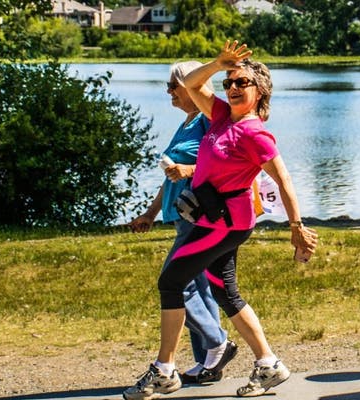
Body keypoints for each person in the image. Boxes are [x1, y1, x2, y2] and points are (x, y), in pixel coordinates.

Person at [123, 40, 318, 400]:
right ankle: (268, 364)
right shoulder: (220, 116)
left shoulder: (255, 133)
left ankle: (164, 371)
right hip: (215, 219)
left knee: (171, 281)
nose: (231, 88)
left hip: (225, 223)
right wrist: (219, 62)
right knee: (225, 293)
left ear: (259, 91)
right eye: (228, 83)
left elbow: (283, 179)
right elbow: (193, 85)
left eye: (240, 82)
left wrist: (296, 227)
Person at [128, 61, 238, 387]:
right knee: (200, 289)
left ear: (190, 87)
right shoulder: (188, 122)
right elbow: (171, 176)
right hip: (180, 216)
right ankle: (208, 363)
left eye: (173, 85)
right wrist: (150, 213)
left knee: (175, 283)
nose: (169, 92)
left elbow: (218, 163)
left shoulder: (208, 119)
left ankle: (217, 343)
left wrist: (187, 171)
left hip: (200, 216)